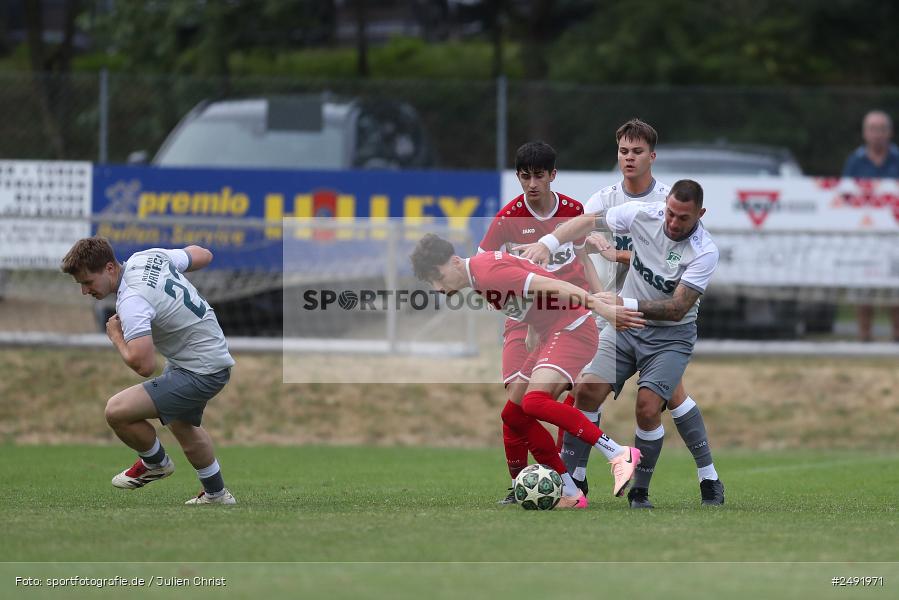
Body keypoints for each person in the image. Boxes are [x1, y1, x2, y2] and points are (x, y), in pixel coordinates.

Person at [520, 178, 726, 507]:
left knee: (647, 408)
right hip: (625, 327)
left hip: (669, 337)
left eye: (683, 218)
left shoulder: (704, 251)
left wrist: (622, 303)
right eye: (670, 213)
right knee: (586, 390)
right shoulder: (642, 213)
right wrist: (548, 242)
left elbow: (676, 309)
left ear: (700, 214)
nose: (673, 222)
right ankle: (573, 484)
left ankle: (641, 491)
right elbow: (588, 222)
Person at [410, 233, 645, 508]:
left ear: (453, 261)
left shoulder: (487, 274)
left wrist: (603, 310)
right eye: (430, 283)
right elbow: (531, 279)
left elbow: (555, 285)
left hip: (572, 327)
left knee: (534, 402)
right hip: (552, 331)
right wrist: (535, 327)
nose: (438, 287)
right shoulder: (479, 275)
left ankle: (618, 453)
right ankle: (570, 492)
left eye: (437, 277)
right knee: (514, 415)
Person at [559, 119, 720, 508]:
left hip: (661, 320)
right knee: (585, 389)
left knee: (658, 403)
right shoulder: (606, 199)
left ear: (652, 156)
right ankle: (574, 482)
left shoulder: (667, 201)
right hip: (613, 311)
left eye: (636, 152)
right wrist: (599, 295)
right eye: (623, 151)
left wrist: (617, 255)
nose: (628, 158)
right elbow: (579, 243)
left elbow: (670, 276)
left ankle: (701, 477)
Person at [61, 237, 237, 505]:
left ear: (109, 268)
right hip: (204, 357)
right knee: (183, 426)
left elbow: (144, 365)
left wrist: (116, 336)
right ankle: (217, 494)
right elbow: (204, 254)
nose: (85, 291)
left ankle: (155, 463)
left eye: (87, 282)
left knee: (117, 411)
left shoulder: (131, 300)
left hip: (201, 369)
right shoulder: (148, 257)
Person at [476, 141, 602, 504]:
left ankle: (568, 479)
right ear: (518, 177)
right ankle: (521, 486)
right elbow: (487, 276)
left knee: (565, 398)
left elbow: (583, 260)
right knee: (515, 411)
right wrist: (527, 318)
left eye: (539, 176)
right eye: (525, 176)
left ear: (552, 176)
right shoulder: (507, 219)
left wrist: (600, 300)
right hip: (522, 320)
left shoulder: (574, 211)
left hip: (570, 315)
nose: (532, 184)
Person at [842, 110, 899, 342]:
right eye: (873, 129)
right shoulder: (854, 162)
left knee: (895, 291)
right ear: (865, 133)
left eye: (882, 129)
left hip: (894, 236)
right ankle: (864, 338)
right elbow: (844, 195)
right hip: (864, 236)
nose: (878, 134)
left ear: (890, 132)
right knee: (863, 289)